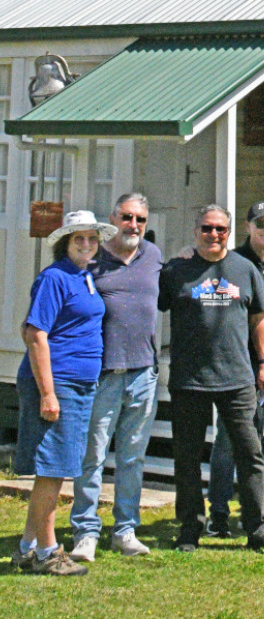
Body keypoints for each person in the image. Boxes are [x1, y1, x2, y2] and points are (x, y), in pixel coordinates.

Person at [158, 204, 264, 554]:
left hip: (237, 378)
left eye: (221, 229)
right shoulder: (175, 270)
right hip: (189, 380)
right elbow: (152, 305)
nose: (214, 235)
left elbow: (259, 318)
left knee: (250, 455)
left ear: (230, 232)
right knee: (187, 457)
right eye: (207, 228)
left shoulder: (244, 269)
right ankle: (189, 529)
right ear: (196, 230)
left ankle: (258, 530)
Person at [12, 210, 116, 576]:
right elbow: (36, 334)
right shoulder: (54, 278)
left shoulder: (84, 276)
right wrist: (48, 393)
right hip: (60, 384)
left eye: (92, 238)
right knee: (54, 469)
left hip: (80, 384)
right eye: (78, 239)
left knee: (59, 467)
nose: (87, 245)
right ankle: (47, 552)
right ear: (64, 243)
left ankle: (26, 548)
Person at [69, 194, 161, 563]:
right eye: (127, 217)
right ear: (113, 218)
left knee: (132, 458)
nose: (133, 225)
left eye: (140, 219)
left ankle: (125, 530)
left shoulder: (153, 256)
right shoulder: (92, 260)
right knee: (92, 457)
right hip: (103, 375)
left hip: (144, 373)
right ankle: (86, 532)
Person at [205, 201, 264, 538]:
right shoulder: (233, 262)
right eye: (260, 223)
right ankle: (219, 514)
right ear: (247, 226)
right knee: (227, 443)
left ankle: (252, 514)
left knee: (256, 444)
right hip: (235, 367)